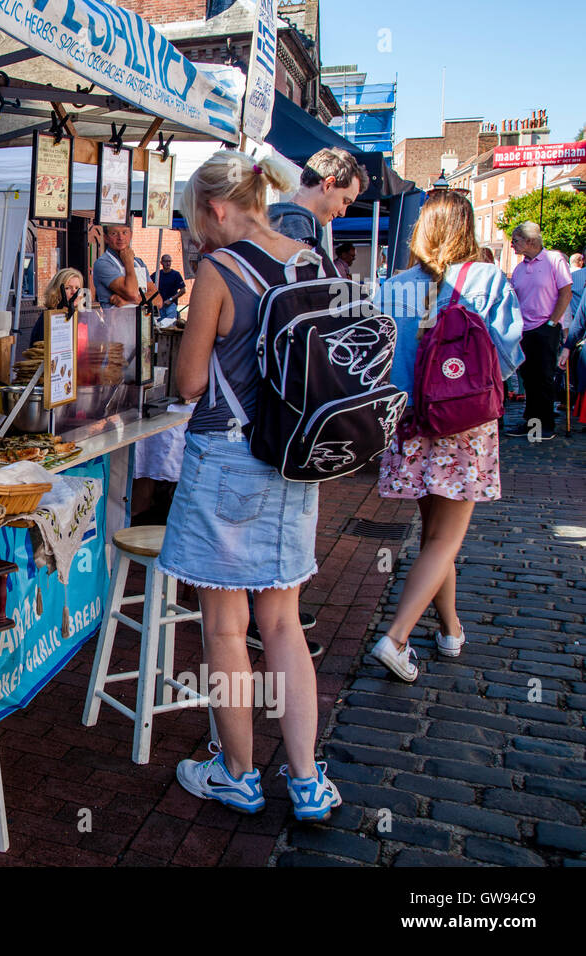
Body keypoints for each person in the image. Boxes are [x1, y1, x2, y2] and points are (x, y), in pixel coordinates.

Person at [159, 150, 340, 822]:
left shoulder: (217, 269)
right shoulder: (311, 260)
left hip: (229, 462)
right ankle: (306, 778)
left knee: (226, 629)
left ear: (213, 207)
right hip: (295, 459)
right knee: (284, 624)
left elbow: (190, 383)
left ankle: (237, 773)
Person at [368, 192, 523, 681]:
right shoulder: (487, 280)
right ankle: (395, 639)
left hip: (411, 424)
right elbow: (505, 357)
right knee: (446, 541)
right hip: (464, 426)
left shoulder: (391, 287)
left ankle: (451, 629)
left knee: (435, 538)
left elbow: (373, 358)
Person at [507, 221, 571, 438]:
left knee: (543, 377)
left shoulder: (554, 260)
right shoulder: (520, 268)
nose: (512, 245)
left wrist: (553, 322)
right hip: (524, 329)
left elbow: (565, 293)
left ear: (530, 241)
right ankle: (531, 422)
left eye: (516, 240)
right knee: (529, 377)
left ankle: (546, 424)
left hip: (545, 326)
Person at [267, 147, 369, 252]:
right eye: (345, 201)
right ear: (328, 185)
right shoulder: (299, 233)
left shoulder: (267, 221)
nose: (343, 212)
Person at [92, 224, 159, 308]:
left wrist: (127, 301)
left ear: (131, 235)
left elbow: (158, 300)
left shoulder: (139, 263)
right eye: (114, 234)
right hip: (116, 319)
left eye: (124, 232)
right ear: (106, 238)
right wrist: (128, 263)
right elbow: (132, 294)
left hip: (142, 319)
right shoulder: (103, 263)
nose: (121, 237)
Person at [154, 254, 186, 321]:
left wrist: (171, 299)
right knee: (160, 326)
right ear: (161, 262)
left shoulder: (176, 274)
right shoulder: (157, 274)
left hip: (171, 305)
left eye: (169, 261)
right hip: (160, 305)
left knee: (170, 325)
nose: (168, 263)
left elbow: (183, 290)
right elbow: (148, 285)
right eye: (166, 261)